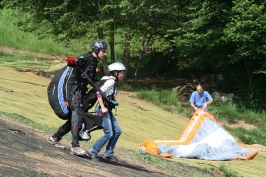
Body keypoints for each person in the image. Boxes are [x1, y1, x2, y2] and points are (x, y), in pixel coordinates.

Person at [48, 39, 108, 156]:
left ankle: (55, 137)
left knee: (75, 117)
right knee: (77, 115)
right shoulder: (86, 57)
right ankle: (75, 146)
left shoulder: (94, 62)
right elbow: (77, 62)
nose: (104, 54)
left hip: (80, 91)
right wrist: (73, 60)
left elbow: (89, 78)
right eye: (103, 51)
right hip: (74, 91)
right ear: (96, 50)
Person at [87, 62, 126, 162]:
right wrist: (103, 106)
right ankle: (93, 152)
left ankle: (108, 154)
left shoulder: (110, 80)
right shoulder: (111, 81)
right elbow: (99, 93)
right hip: (103, 109)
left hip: (108, 109)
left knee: (117, 131)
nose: (122, 75)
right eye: (121, 73)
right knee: (109, 133)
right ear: (115, 72)